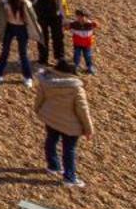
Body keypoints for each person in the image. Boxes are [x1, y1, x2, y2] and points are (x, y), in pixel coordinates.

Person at [34, 58, 94, 187]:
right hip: (70, 125)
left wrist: (38, 111)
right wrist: (88, 129)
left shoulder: (46, 81)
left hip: (51, 118)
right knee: (69, 149)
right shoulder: (76, 88)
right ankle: (69, 177)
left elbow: (39, 99)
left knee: (51, 140)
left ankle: (53, 166)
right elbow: (83, 110)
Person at [0, 0, 38, 86]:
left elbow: (33, 18)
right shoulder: (4, 4)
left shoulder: (25, 4)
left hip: (22, 29)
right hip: (9, 28)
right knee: (5, 51)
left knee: (23, 53)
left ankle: (28, 77)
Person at [28, 0, 69, 66]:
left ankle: (60, 57)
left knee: (58, 37)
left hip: (55, 16)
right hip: (40, 16)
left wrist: (65, 18)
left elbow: (62, 3)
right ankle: (43, 58)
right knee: (42, 37)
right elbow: (28, 0)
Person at [68, 8, 97, 73]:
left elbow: (96, 25)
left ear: (86, 17)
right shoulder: (74, 24)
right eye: (78, 17)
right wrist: (66, 26)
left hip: (87, 44)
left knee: (87, 55)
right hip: (77, 43)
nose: (80, 19)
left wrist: (95, 24)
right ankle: (76, 66)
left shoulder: (90, 24)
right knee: (77, 55)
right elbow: (67, 26)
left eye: (82, 17)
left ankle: (90, 67)